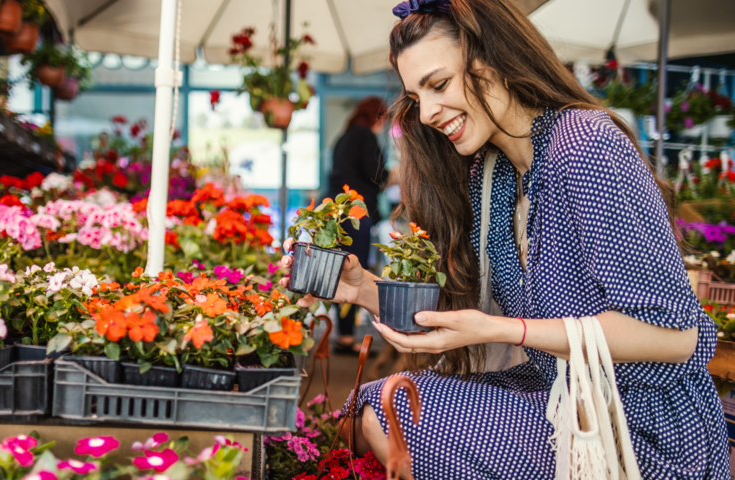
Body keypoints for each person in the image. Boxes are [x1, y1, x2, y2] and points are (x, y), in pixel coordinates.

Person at [279, 0, 728, 477]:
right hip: (565, 395)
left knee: (399, 420)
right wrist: (364, 289)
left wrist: (502, 329)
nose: (427, 112)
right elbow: (468, 320)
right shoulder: (492, 176)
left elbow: (675, 336)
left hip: (640, 423)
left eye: (439, 84)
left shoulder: (585, 144)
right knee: (376, 403)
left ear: (494, 62)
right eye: (416, 97)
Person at [326, 96, 389, 354]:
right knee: (355, 271)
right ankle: (348, 338)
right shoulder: (366, 137)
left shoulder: (343, 137)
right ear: (376, 116)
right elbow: (377, 174)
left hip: (337, 213)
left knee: (340, 270)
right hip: (356, 213)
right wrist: (392, 176)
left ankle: (344, 335)